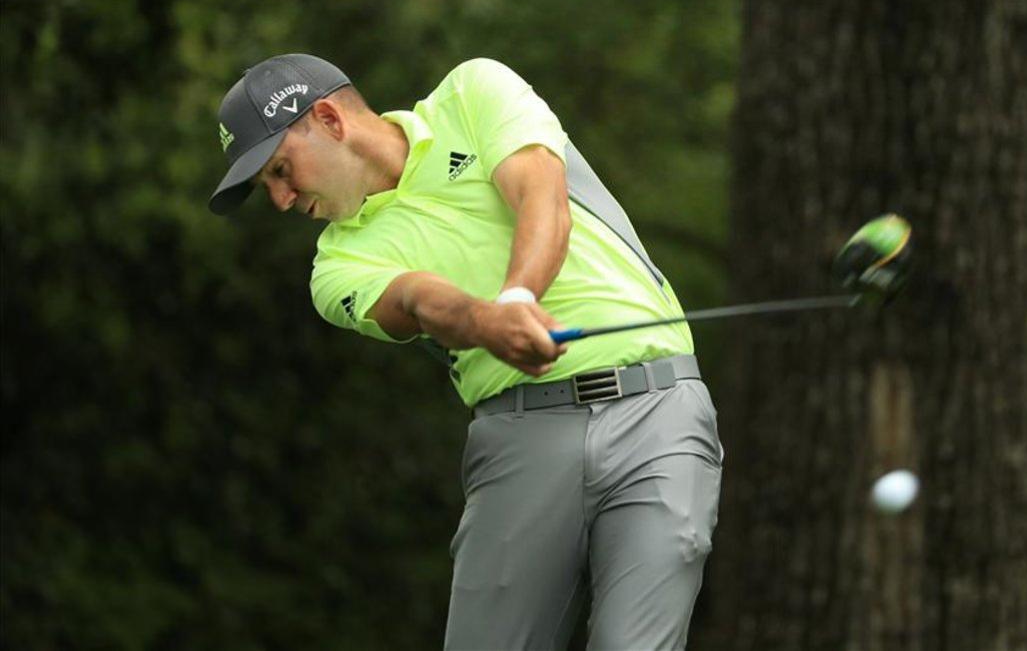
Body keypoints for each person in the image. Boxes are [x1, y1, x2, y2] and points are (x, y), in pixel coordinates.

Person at [209, 53, 723, 650]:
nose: (281, 200)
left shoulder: (474, 91)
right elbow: (420, 302)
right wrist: (487, 321)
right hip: (520, 439)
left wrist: (518, 296)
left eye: (279, 170)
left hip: (658, 411)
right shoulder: (336, 266)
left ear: (327, 118)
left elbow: (540, 196)